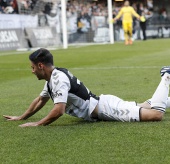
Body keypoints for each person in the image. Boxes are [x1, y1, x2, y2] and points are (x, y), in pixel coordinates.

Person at [3, 48, 170, 127]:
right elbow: (40, 100)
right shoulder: (52, 79)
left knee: (155, 115)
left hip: (105, 109)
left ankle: (166, 75)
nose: (32, 71)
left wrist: (38, 124)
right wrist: (22, 117)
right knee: (143, 106)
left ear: (40, 65)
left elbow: (58, 110)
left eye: (32, 67)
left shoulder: (58, 78)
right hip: (103, 104)